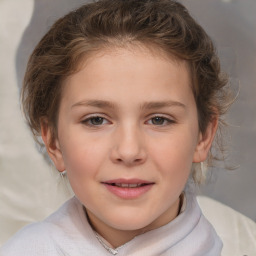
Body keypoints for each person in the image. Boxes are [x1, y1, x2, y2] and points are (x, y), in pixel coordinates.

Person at [0, 0, 231, 255]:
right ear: (53, 141)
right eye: (96, 120)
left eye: (158, 120)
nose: (129, 151)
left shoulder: (241, 237)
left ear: (203, 136)